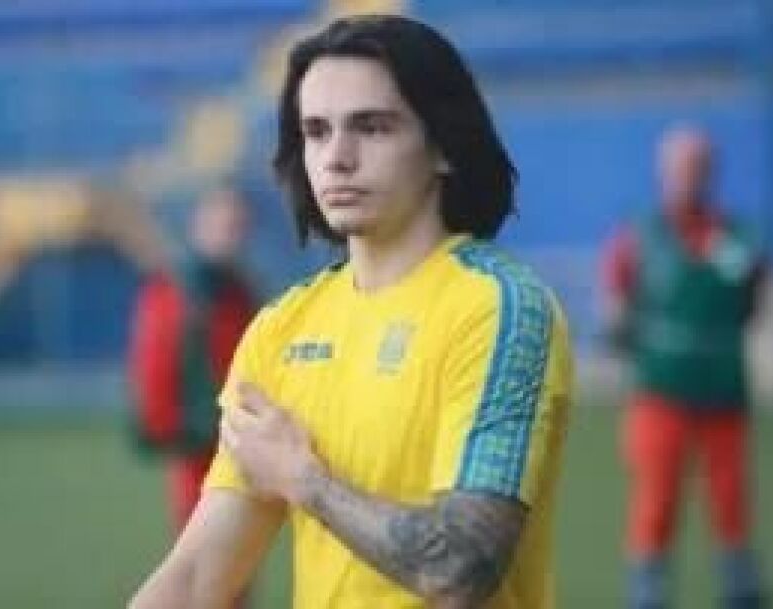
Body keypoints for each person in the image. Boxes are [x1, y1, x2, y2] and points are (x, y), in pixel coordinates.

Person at [129, 15, 573, 609]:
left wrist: (305, 482)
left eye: (372, 127)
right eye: (316, 131)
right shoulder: (281, 329)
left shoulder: (500, 308)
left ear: (443, 146)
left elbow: (461, 566)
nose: (336, 157)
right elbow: (195, 578)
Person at [601, 126, 769, 609]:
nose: (687, 177)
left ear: (711, 173)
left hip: (723, 389)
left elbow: (754, 292)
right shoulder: (639, 234)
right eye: (679, 167)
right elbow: (616, 296)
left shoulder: (736, 235)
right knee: (656, 495)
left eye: (697, 167)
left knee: (731, 497)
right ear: (663, 172)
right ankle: (647, 592)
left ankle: (740, 587)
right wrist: (621, 329)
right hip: (660, 389)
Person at [128, 187, 257, 529]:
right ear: (199, 224)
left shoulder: (239, 290)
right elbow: (153, 364)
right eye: (223, 225)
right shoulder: (175, 290)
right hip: (195, 437)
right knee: (201, 533)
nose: (231, 236)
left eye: (238, 227)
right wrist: (165, 426)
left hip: (235, 434)